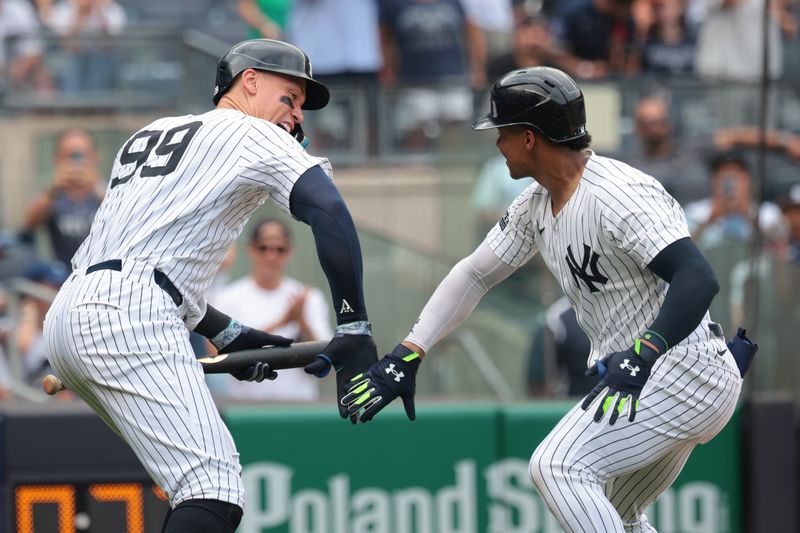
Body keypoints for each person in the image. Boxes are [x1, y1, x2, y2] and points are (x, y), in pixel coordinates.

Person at [343, 67, 743, 531]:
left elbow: (697, 276)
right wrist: (410, 351)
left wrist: (645, 353)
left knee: (557, 467)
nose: (496, 143)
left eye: (502, 132)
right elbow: (474, 275)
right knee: (619, 514)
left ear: (530, 137)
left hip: (680, 370)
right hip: (649, 377)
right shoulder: (535, 203)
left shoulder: (619, 193)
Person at [43, 39, 378, 533]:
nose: (296, 117)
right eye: (290, 97)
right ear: (250, 81)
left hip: (71, 313)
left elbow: (150, 260)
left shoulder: (153, 132)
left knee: (193, 487)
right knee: (213, 488)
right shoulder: (254, 135)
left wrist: (231, 334)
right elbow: (329, 211)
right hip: (126, 314)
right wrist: (355, 325)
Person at [210, 217, 333, 401]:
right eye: (263, 248)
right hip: (245, 409)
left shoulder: (308, 297)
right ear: (251, 249)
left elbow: (328, 361)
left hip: (301, 406)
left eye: (279, 249)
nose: (271, 256)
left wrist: (302, 323)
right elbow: (216, 356)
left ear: (289, 251)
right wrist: (283, 321)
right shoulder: (227, 297)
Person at [24, 128, 104, 267]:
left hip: (102, 273)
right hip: (62, 275)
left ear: (95, 156)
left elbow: (127, 218)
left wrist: (96, 186)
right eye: (70, 156)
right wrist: (54, 189)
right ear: (57, 159)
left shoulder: (107, 191)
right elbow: (29, 225)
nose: (76, 163)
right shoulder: (51, 195)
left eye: (82, 155)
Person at [684, 149, 784, 249]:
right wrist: (712, 218)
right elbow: (684, 251)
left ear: (747, 180)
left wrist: (748, 215)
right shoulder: (695, 212)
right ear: (713, 181)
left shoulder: (767, 212)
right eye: (724, 175)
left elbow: (778, 251)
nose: (731, 182)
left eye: (736, 176)